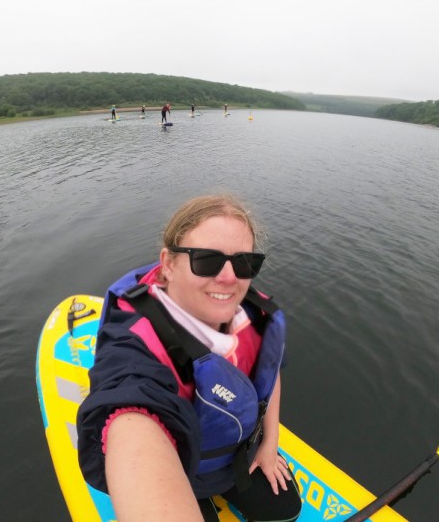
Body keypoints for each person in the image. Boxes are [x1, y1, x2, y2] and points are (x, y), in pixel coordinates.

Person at [77, 194, 301, 522]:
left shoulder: (255, 316)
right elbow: (130, 405)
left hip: (241, 457)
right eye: (207, 260)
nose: (228, 278)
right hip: (180, 471)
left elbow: (270, 376)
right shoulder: (137, 343)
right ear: (168, 264)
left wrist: (270, 443)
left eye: (244, 263)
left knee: (285, 513)